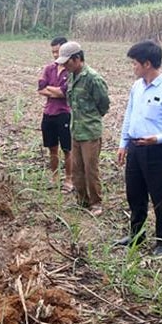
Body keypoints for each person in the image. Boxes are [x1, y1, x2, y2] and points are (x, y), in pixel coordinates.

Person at [114, 41, 162, 257]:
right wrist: (123, 143)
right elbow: (129, 116)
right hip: (135, 149)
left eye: (135, 63)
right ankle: (136, 234)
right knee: (134, 195)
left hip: (156, 151)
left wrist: (157, 138)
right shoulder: (137, 87)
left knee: (160, 198)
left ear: (147, 64)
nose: (132, 67)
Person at [56, 41, 110, 215]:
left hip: (89, 132)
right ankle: (82, 200)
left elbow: (103, 104)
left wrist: (91, 119)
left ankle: (96, 203)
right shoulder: (71, 76)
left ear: (77, 58)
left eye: (67, 62)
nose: (64, 66)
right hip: (75, 130)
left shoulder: (93, 78)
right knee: (77, 169)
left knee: (90, 169)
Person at [37, 36, 74, 193]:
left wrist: (50, 89)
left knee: (67, 149)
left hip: (64, 114)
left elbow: (65, 93)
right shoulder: (49, 69)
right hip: (49, 113)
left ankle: (69, 179)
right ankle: (54, 177)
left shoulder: (71, 71)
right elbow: (40, 88)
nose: (54, 55)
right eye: (52, 52)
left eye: (57, 51)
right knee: (52, 148)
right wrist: (56, 90)